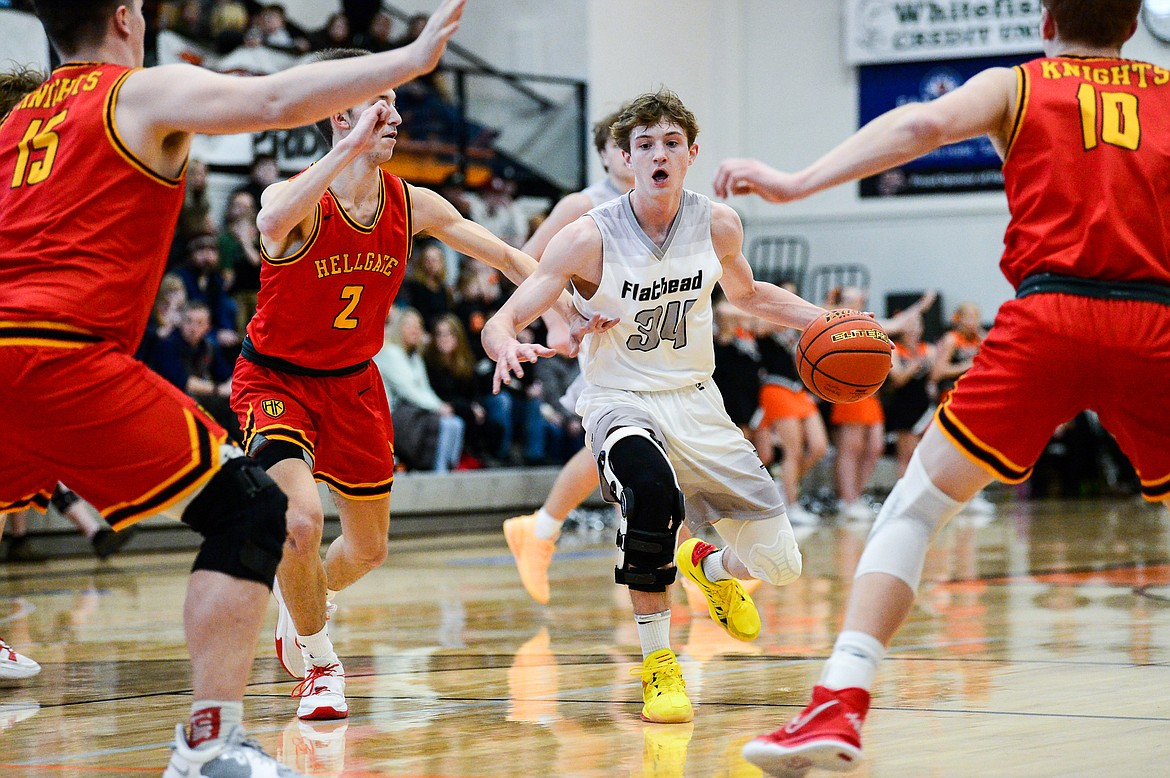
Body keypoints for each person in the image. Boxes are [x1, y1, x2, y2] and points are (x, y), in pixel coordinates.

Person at [0, 1, 465, 774]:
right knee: (254, 510)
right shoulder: (132, 93)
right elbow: (275, 99)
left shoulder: (16, 126)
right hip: (58, 353)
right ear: (125, 17)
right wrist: (408, 59)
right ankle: (209, 742)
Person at [715, 1, 1170, 772]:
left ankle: (839, 703)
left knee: (917, 509)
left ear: (1047, 19)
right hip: (1157, 320)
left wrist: (796, 183)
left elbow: (919, 127)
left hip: (1049, 314)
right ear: (1134, 25)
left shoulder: (1018, 84)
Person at [232, 45, 585, 722]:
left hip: (354, 385)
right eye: (378, 98)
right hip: (276, 380)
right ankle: (320, 664)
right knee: (298, 522)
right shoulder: (294, 197)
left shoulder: (410, 202)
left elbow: (508, 254)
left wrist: (559, 302)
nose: (395, 112)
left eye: (394, 97)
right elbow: (271, 224)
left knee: (367, 550)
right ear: (337, 112)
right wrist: (343, 149)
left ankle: (298, 605)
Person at [482, 90, 824, 723]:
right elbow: (508, 314)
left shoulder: (718, 223)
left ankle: (706, 562)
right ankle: (658, 664)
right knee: (651, 497)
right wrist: (505, 340)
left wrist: (823, 318)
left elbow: (747, 295)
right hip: (620, 398)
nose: (658, 155)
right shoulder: (588, 235)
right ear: (625, 157)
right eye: (644, 145)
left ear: (692, 153)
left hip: (696, 399)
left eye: (671, 143)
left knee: (780, 563)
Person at [502, 106, 635, 606]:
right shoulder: (583, 202)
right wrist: (558, 320)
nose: (630, 153)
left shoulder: (656, 203)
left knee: (626, 448)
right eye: (620, 145)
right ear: (603, 154)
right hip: (599, 336)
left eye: (637, 144)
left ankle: (543, 530)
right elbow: (526, 261)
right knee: (637, 441)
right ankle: (696, 566)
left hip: (648, 337)